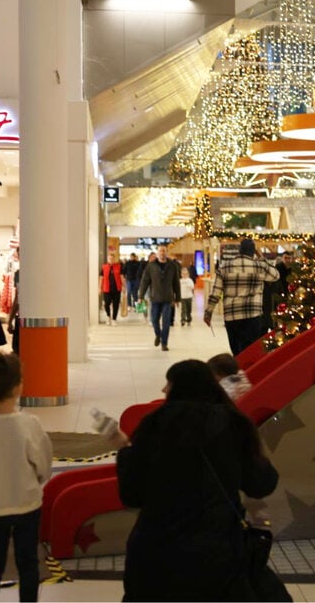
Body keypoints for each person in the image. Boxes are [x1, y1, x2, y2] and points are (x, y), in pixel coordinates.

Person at [116, 360, 287, 601]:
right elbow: (262, 484)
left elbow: (131, 494)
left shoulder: (153, 425)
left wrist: (125, 454)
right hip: (218, 553)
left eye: (169, 383)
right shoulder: (234, 424)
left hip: (156, 553)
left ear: (178, 387)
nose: (164, 390)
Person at [0, 353, 52, 602]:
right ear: (18, 386)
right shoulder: (29, 424)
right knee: (28, 562)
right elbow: (43, 462)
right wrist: (38, 480)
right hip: (26, 503)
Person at [204, 239, 280, 356]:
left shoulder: (225, 267)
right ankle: (248, 372)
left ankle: (239, 367)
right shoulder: (260, 267)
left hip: (231, 316)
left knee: (236, 351)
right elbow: (276, 275)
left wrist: (208, 313)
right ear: (253, 251)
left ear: (240, 250)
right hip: (253, 316)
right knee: (249, 352)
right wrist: (261, 258)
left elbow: (216, 293)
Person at [138, 245, 181, 352]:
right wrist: (140, 296)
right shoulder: (151, 266)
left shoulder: (172, 266)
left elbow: (176, 282)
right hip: (155, 297)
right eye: (160, 251)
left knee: (166, 322)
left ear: (166, 252)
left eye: (164, 251)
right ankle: (158, 334)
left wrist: (177, 298)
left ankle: (164, 343)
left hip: (168, 298)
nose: (162, 253)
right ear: (157, 253)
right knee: (154, 320)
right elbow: (144, 281)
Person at [99, 251, 123, 326]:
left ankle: (114, 319)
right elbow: (101, 278)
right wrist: (99, 288)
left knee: (116, 304)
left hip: (117, 289)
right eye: (109, 258)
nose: (111, 260)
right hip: (107, 289)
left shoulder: (119, 266)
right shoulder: (104, 267)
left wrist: (124, 286)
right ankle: (108, 316)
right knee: (106, 304)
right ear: (107, 259)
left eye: (112, 258)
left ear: (114, 259)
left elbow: (122, 277)